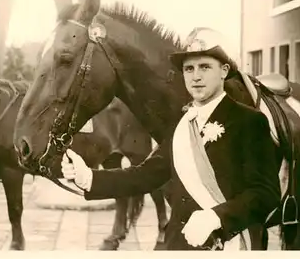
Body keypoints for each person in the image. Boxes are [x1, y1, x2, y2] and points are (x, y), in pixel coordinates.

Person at [62, 27, 281, 250]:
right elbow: (147, 174)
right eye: (189, 69)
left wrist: (217, 217)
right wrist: (89, 178)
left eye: (205, 67)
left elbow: (266, 194)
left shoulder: (249, 121)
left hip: (229, 244)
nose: (196, 76)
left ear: (224, 71)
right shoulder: (182, 123)